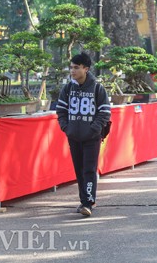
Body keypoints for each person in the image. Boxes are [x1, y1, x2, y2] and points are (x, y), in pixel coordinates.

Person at [56, 52, 111, 217]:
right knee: (79, 170)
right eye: (71, 67)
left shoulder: (97, 88)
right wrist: (67, 128)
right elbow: (61, 110)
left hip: (91, 138)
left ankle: (88, 202)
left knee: (89, 169)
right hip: (74, 137)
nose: (72, 71)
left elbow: (105, 112)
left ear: (86, 69)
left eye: (76, 68)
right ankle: (83, 201)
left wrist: (94, 129)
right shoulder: (68, 88)